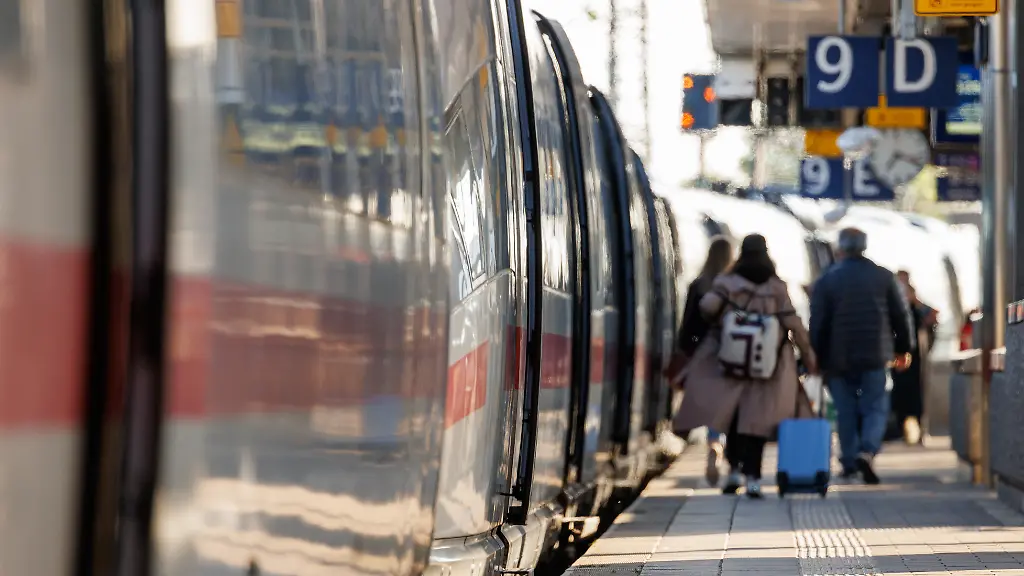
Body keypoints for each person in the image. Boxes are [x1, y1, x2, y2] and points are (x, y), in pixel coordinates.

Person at [673, 234, 817, 499]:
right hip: (768, 366)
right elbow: (793, 323)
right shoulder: (777, 287)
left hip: (731, 361)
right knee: (757, 424)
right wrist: (808, 355)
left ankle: (734, 471)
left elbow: (706, 308)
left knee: (735, 419)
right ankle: (753, 478)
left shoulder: (727, 283)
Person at [809, 228, 914, 484]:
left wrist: (815, 357)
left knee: (845, 410)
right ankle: (867, 451)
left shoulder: (827, 280)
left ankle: (848, 460)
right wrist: (904, 348)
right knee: (875, 407)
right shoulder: (883, 277)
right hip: (876, 355)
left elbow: (818, 323)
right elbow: (901, 316)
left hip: (838, 358)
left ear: (840, 248)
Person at [675, 236, 734, 487]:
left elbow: (687, 327)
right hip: (732, 354)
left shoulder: (699, 285)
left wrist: (687, 352)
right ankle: (719, 444)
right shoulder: (733, 286)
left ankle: (713, 444)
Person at [890, 271, 938, 445]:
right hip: (899, 356)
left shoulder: (917, 307)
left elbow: (932, 317)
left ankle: (920, 429)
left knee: (918, 393)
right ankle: (902, 429)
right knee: (900, 393)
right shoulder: (893, 304)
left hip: (915, 358)